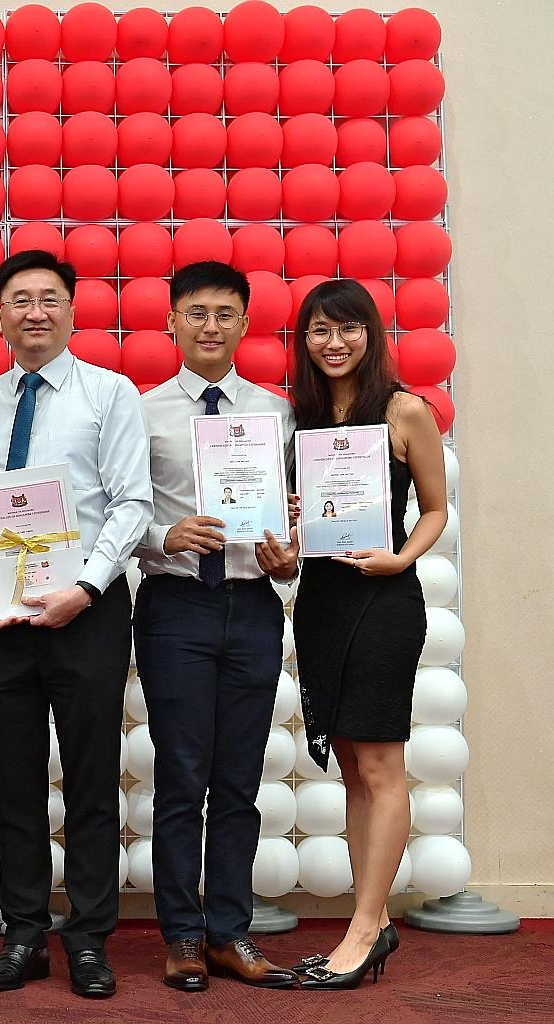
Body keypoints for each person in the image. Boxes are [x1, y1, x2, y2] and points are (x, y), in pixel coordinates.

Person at [0, 249, 153, 999]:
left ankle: (91, 939)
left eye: (49, 299)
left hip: (86, 615)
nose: (34, 312)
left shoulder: (110, 393)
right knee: (14, 786)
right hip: (1, 620)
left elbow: (132, 503)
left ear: (72, 310)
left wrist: (86, 587)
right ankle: (24, 934)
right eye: (19, 300)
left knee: (93, 782)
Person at [133, 262, 301, 991]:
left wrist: (287, 555)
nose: (210, 326)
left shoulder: (275, 413)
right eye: (195, 312)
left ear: (244, 322)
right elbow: (117, 511)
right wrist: (161, 537)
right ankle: (182, 936)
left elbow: (295, 523)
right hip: (176, 607)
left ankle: (231, 932)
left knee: (239, 780)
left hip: (254, 603)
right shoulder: (137, 412)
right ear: (171, 322)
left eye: (224, 313)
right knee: (181, 779)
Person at [288, 279, 446, 989]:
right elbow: (303, 520)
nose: (334, 343)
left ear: (370, 334)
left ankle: (363, 930)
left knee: (381, 765)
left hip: (383, 599)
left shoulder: (407, 410)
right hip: (320, 598)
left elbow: (436, 510)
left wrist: (401, 558)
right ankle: (371, 918)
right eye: (319, 330)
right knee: (352, 763)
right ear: (305, 340)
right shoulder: (304, 417)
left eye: (347, 329)